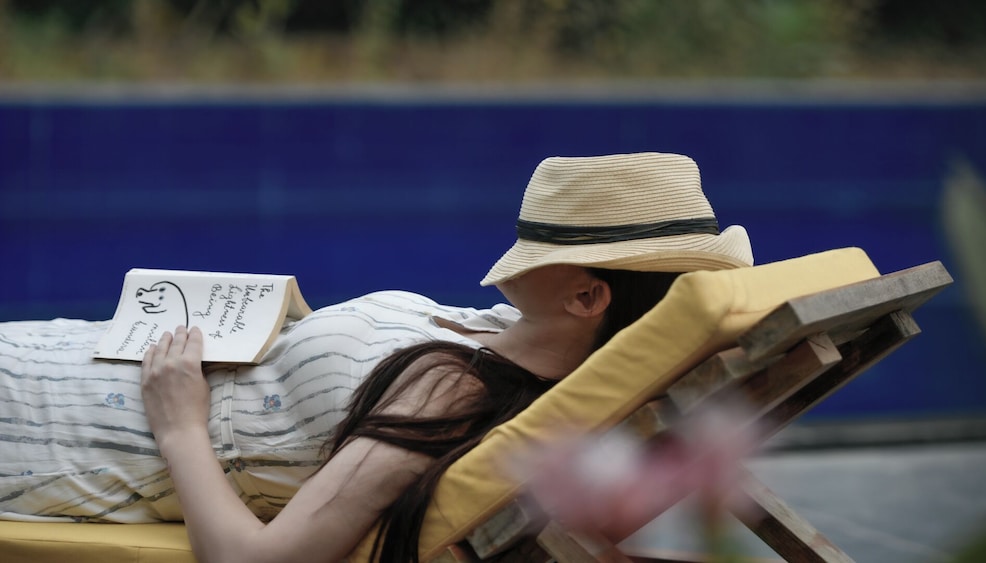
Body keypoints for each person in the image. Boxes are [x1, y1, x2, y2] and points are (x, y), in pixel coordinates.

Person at [0, 152, 752, 562]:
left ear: (587, 297)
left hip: (59, 426)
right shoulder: (499, 329)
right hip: (69, 353)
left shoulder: (450, 396)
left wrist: (179, 424)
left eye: (543, 243)